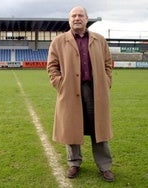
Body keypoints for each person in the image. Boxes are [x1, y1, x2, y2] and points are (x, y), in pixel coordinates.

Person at [47, 6, 114, 182]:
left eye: (80, 15)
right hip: (70, 90)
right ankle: (74, 163)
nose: (77, 18)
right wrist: (60, 83)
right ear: (69, 20)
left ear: (86, 19)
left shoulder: (99, 40)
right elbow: (52, 67)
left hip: (96, 90)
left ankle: (105, 166)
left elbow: (108, 63)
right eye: (74, 16)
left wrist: (106, 81)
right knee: (72, 127)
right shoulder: (59, 41)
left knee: (98, 129)